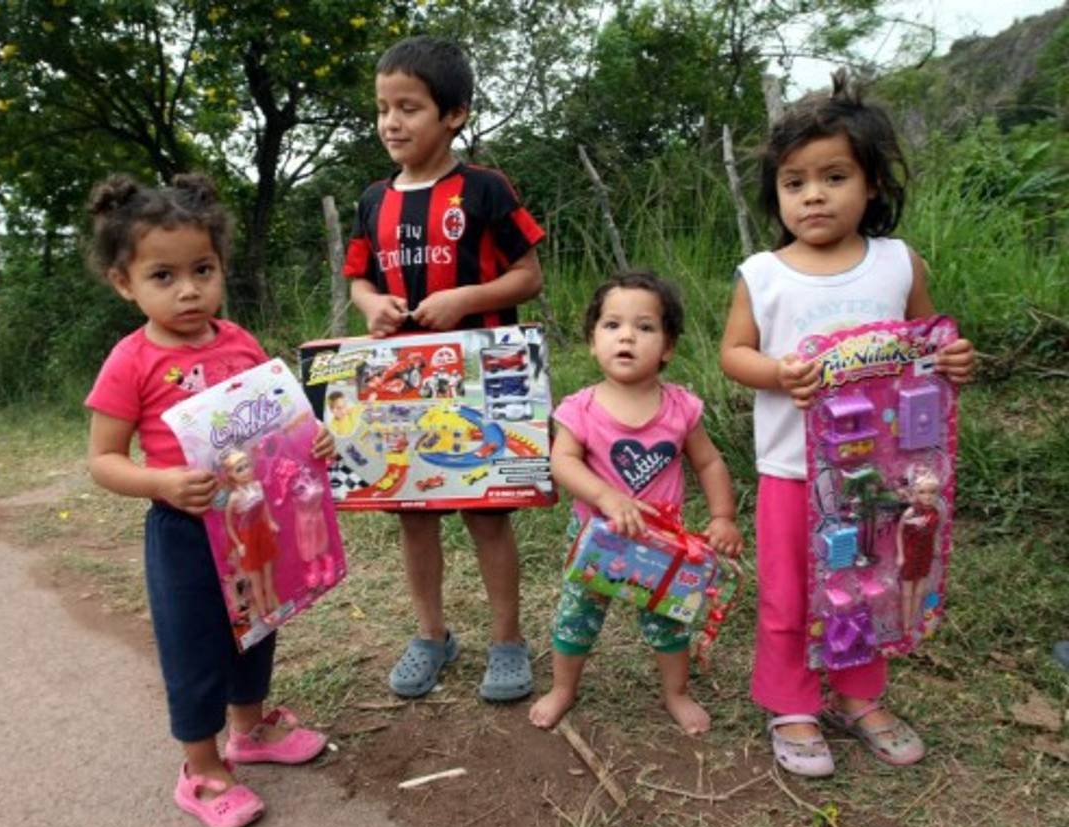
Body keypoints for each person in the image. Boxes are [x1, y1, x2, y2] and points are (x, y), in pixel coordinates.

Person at [719, 72, 976, 776]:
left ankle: (860, 695)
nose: (814, 195)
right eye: (794, 182)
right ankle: (793, 703)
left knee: (868, 582)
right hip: (791, 473)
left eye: (835, 176)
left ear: (872, 186)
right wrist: (776, 373)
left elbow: (930, 342)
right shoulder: (763, 274)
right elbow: (732, 354)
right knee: (789, 591)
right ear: (776, 194)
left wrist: (952, 358)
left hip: (879, 475)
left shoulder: (898, 263)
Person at [84, 173, 333, 827]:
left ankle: (250, 730)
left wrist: (315, 441)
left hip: (252, 522)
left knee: (256, 628)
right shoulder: (129, 361)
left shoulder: (241, 343)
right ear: (123, 283)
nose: (189, 289)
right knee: (195, 648)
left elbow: (279, 426)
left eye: (203, 269)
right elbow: (102, 460)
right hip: (185, 531)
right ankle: (202, 769)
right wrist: (162, 483)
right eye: (163, 276)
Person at [343, 36, 545, 701]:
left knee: (488, 515)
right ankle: (431, 635)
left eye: (409, 107)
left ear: (453, 114)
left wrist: (465, 298)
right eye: (382, 109)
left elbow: (529, 276)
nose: (392, 123)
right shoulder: (373, 200)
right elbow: (358, 283)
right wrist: (372, 304)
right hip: (400, 384)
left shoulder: (485, 189)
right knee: (414, 515)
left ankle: (508, 642)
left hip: (484, 378)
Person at [528, 272, 745, 733]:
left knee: (669, 622)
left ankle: (676, 693)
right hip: (596, 539)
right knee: (576, 616)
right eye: (612, 325)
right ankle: (564, 689)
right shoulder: (581, 408)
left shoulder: (681, 408)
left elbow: (709, 464)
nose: (626, 336)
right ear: (592, 341)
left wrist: (723, 516)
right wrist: (606, 495)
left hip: (664, 545)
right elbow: (562, 461)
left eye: (645, 327)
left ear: (667, 347)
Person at [221, 448, 281, 620]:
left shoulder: (257, 486)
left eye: (247, 466)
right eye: (239, 469)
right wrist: (239, 544)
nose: (246, 470)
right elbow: (229, 524)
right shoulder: (234, 498)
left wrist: (270, 522)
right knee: (256, 578)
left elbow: (264, 506)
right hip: (247, 536)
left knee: (268, 573)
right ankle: (263, 612)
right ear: (231, 475)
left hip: (263, 531)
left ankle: (271, 606)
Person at [896, 468, 941, 637]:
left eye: (932, 492)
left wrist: (937, 546)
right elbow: (899, 533)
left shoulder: (935, 512)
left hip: (926, 554)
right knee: (907, 592)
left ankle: (913, 621)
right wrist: (900, 555)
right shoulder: (910, 512)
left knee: (919, 591)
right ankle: (906, 624)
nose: (928, 496)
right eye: (922, 492)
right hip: (910, 554)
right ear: (915, 493)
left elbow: (935, 531)